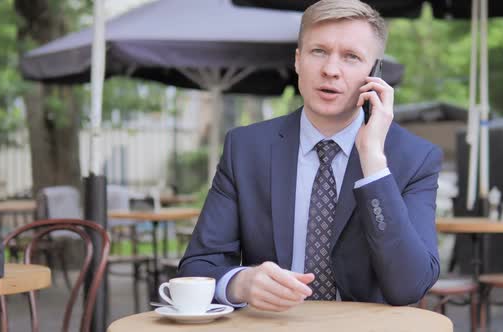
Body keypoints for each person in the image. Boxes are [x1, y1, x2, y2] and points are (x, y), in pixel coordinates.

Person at [178, 0, 441, 312]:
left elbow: (408, 286)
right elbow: (196, 268)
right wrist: (241, 283)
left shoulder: (414, 158)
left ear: (374, 74)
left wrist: (373, 161)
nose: (330, 70)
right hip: (273, 325)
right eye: (319, 52)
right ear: (298, 61)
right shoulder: (246, 148)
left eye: (351, 57)